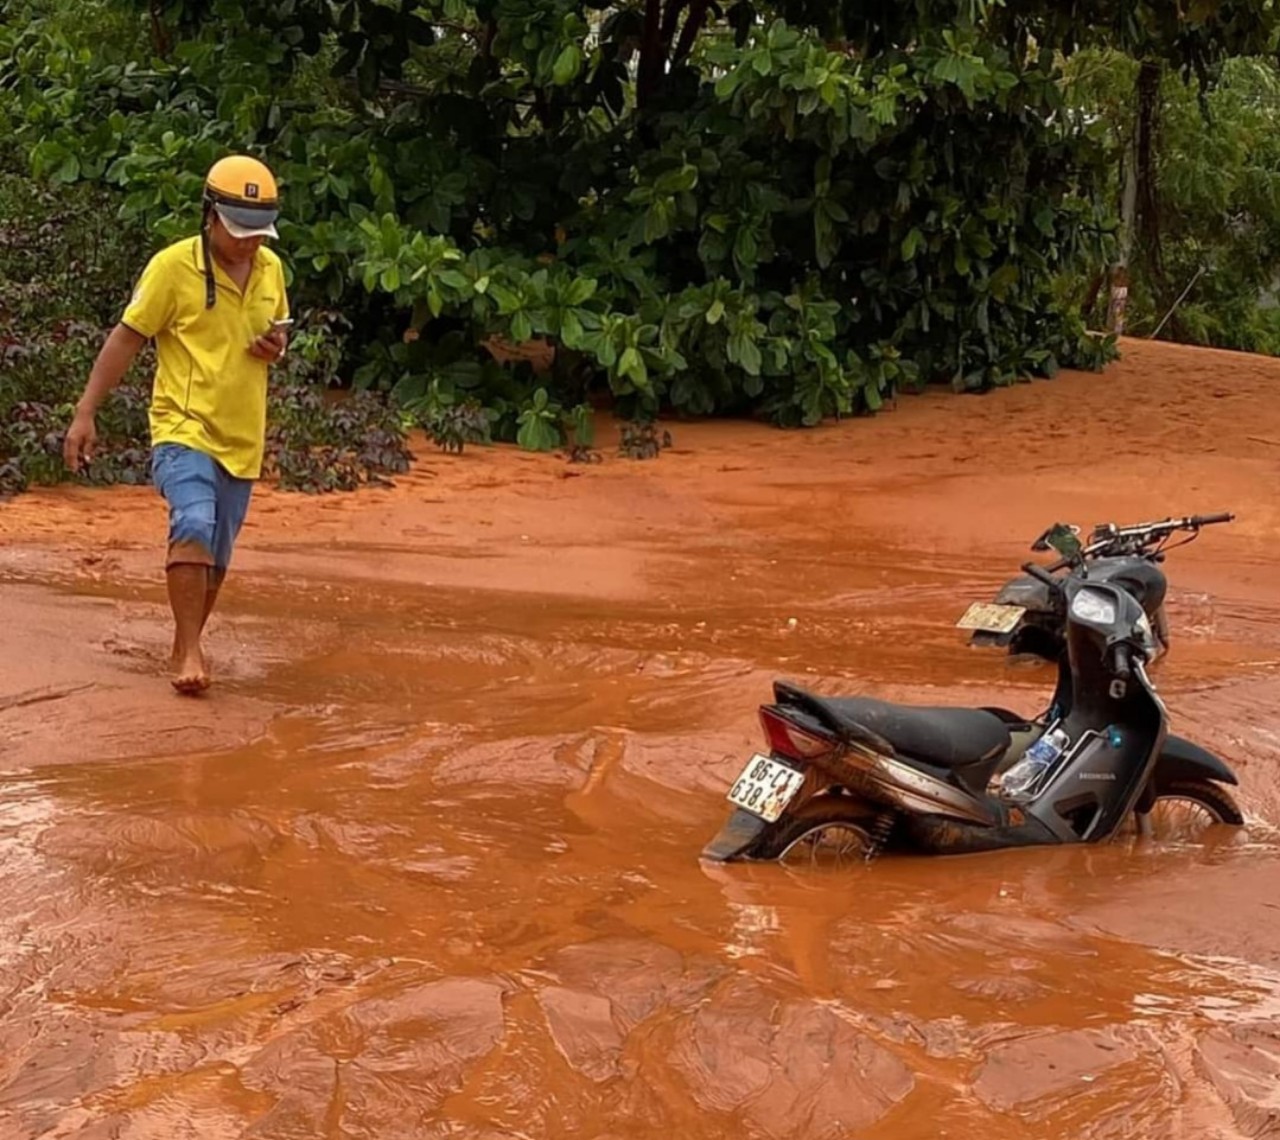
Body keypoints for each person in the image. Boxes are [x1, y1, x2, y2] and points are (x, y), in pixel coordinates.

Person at [64, 155, 291, 695]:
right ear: (208, 215)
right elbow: (127, 338)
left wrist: (275, 347)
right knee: (192, 520)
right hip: (182, 426)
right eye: (238, 232)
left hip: (243, 433)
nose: (248, 244)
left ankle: (184, 638)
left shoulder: (272, 270)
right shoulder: (171, 268)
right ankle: (189, 651)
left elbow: (277, 333)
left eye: (257, 234)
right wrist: (85, 411)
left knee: (218, 549)